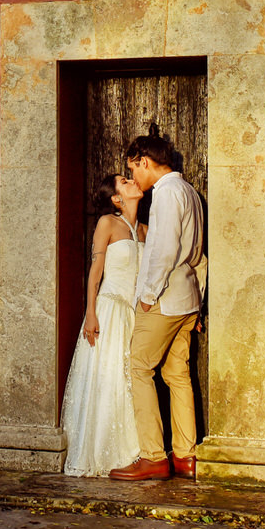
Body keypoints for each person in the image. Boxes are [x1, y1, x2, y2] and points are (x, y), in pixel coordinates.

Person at [110, 133, 205, 482]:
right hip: (187, 298)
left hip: (163, 299)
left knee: (139, 368)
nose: (134, 176)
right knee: (177, 375)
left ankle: (153, 457)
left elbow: (163, 249)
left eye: (134, 167)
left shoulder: (166, 194)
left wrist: (148, 295)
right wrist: (199, 302)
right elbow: (198, 254)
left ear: (145, 162)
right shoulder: (190, 193)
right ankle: (185, 455)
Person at [59, 173, 146, 476]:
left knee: (133, 380)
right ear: (115, 197)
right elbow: (96, 271)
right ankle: (103, 450)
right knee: (109, 377)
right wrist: (91, 313)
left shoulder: (146, 230)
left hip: (135, 316)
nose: (133, 181)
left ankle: (138, 451)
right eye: (125, 181)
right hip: (108, 310)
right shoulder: (108, 223)